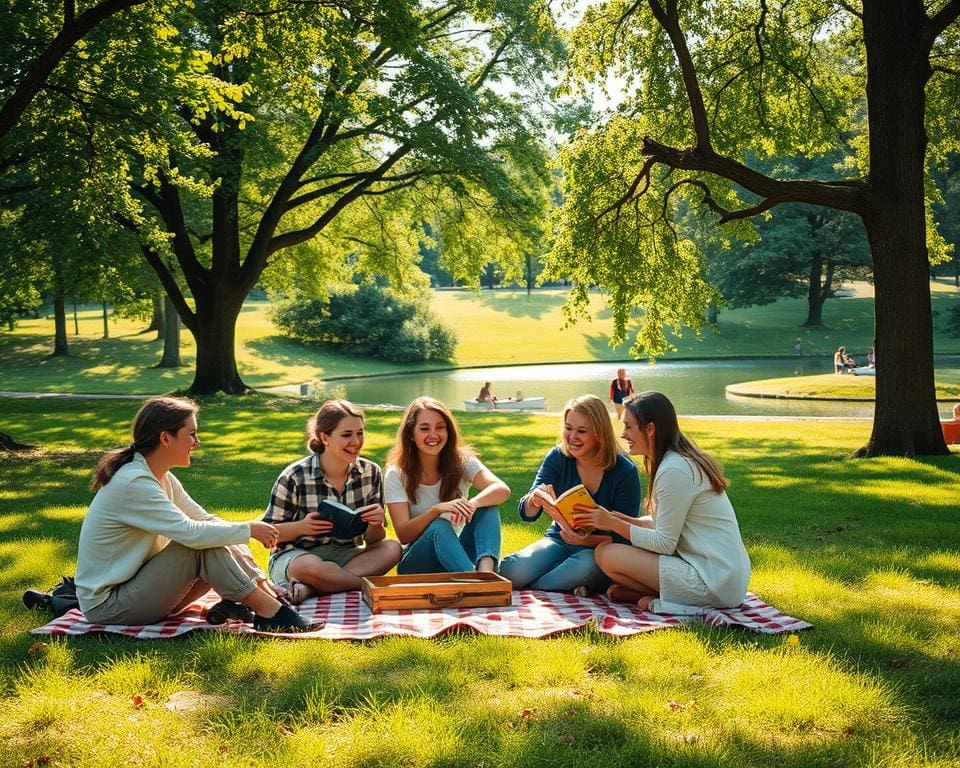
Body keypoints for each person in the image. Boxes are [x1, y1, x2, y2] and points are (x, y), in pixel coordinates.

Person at [75, 397, 313, 631]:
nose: (197, 442)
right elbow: (191, 533)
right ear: (165, 438)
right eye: (191, 434)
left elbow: (206, 521)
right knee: (196, 546)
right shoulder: (134, 483)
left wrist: (259, 578)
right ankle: (271, 613)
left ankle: (263, 604)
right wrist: (249, 529)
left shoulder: (161, 478)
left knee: (210, 536)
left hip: (139, 592)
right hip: (108, 607)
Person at [574, 391, 751, 613]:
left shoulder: (674, 469)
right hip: (724, 577)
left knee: (606, 554)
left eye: (628, 427)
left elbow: (664, 543)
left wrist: (613, 524)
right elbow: (665, 524)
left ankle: (667, 600)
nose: (623, 434)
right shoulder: (675, 461)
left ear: (650, 429)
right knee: (605, 553)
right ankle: (651, 596)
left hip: (715, 581)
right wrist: (621, 519)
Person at [498, 394, 641, 594]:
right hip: (558, 540)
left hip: (598, 551)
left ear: (599, 433)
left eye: (581, 431)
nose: (572, 437)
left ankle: (542, 585)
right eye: (568, 428)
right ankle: (562, 583)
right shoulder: (558, 457)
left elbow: (625, 537)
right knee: (511, 571)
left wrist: (583, 540)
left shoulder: (625, 472)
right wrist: (534, 499)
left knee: (584, 567)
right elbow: (526, 513)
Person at [263, 400, 402, 603]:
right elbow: (268, 534)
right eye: (347, 435)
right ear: (324, 437)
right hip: (299, 556)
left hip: (347, 555)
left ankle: (312, 588)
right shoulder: (294, 476)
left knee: (393, 548)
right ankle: (363, 584)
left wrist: (376, 523)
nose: (356, 441)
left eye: (360, 433)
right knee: (310, 568)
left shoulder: (371, 472)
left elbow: (374, 540)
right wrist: (302, 527)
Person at [384, 396, 510, 574]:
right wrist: (436, 510)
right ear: (411, 434)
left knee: (487, 507)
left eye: (440, 427)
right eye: (424, 428)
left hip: (454, 553)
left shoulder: (462, 460)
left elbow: (501, 489)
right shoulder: (396, 473)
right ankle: (476, 582)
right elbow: (403, 534)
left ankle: (486, 573)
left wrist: (471, 505)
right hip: (417, 563)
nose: (433, 435)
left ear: (448, 431)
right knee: (439, 526)